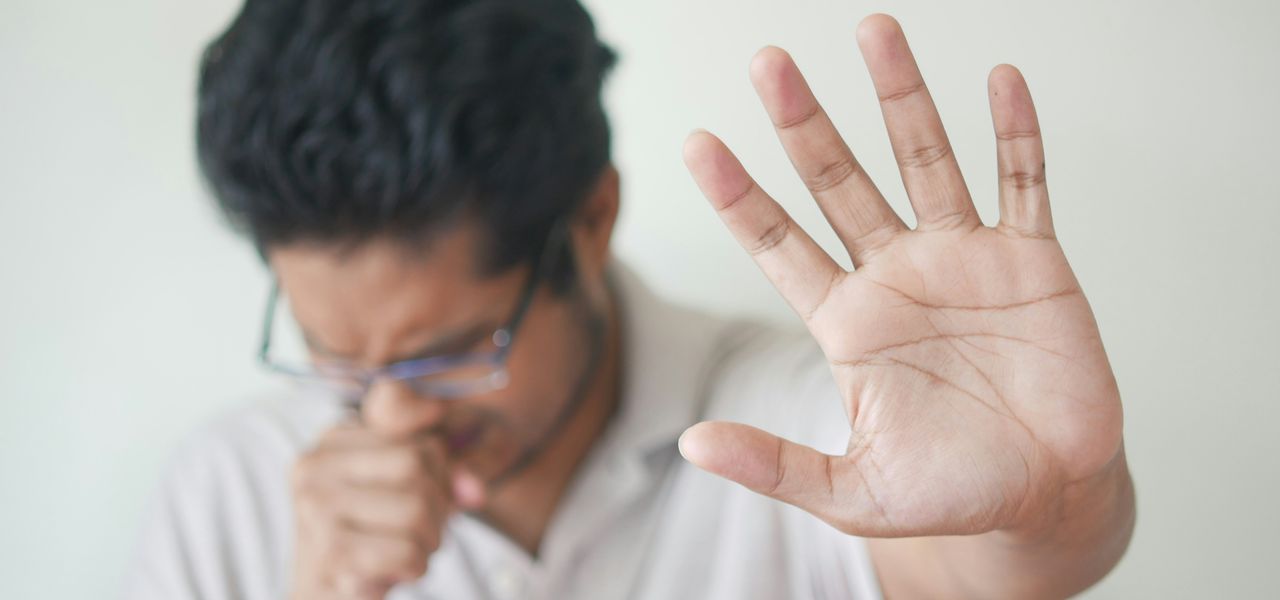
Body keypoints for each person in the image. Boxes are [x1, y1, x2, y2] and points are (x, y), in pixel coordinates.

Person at [124, 0, 1135, 598]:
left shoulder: (800, 420)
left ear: (591, 219)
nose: (390, 412)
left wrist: (1048, 509)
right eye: (334, 354)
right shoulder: (230, 490)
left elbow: (989, 560)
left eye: (451, 350)